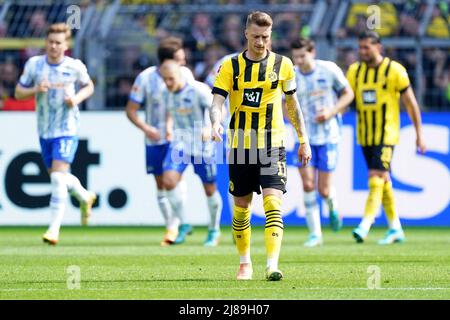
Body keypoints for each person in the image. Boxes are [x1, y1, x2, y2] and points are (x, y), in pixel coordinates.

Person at [210, 11, 311, 281]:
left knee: (272, 203)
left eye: (265, 37)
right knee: (241, 207)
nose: (260, 42)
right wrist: (215, 123)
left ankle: (272, 264)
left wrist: (303, 140)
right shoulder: (230, 66)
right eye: (255, 36)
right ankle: (245, 263)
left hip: (273, 143)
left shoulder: (284, 64)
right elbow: (217, 102)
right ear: (246, 34)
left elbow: (292, 104)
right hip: (241, 145)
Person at [14, 23, 96, 245]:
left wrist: (76, 99)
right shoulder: (34, 65)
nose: (53, 46)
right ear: (46, 43)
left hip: (67, 128)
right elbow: (18, 92)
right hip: (44, 129)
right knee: (58, 177)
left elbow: (89, 87)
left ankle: (53, 230)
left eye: (58, 43)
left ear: (66, 45)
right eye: (50, 42)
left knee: (57, 178)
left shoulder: (74, 66)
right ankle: (84, 196)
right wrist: (34, 90)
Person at [346, 31, 426, 244]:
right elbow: (347, 97)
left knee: (375, 176)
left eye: (366, 48)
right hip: (365, 135)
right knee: (383, 180)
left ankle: (365, 223)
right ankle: (395, 228)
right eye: (360, 48)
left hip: (387, 134)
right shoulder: (355, 71)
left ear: (378, 47)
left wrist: (419, 134)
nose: (362, 52)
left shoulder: (395, 71)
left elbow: (411, 103)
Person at [126, 36, 194, 246]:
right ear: (167, 62)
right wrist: (147, 129)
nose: (183, 63)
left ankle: (180, 225)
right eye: (179, 59)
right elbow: (131, 110)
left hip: (180, 137)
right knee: (161, 185)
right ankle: (171, 227)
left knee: (174, 180)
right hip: (155, 139)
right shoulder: (145, 78)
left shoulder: (186, 75)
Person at [290, 38, 354, 247]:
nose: (298, 60)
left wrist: (331, 111)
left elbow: (348, 94)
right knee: (308, 185)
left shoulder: (329, 70)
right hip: (304, 138)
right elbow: (285, 103)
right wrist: (293, 123)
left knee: (323, 189)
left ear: (312, 52)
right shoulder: (291, 74)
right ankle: (315, 233)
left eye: (302, 56)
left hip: (328, 136)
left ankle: (332, 206)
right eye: (295, 56)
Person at [160, 60, 223, 246]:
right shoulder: (166, 93)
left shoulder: (199, 90)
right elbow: (171, 111)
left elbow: (219, 107)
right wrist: (170, 126)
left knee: (210, 189)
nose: (168, 83)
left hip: (204, 145)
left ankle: (214, 230)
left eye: (171, 79)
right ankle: (184, 224)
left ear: (180, 75)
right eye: (165, 80)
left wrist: (211, 126)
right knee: (168, 181)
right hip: (181, 141)